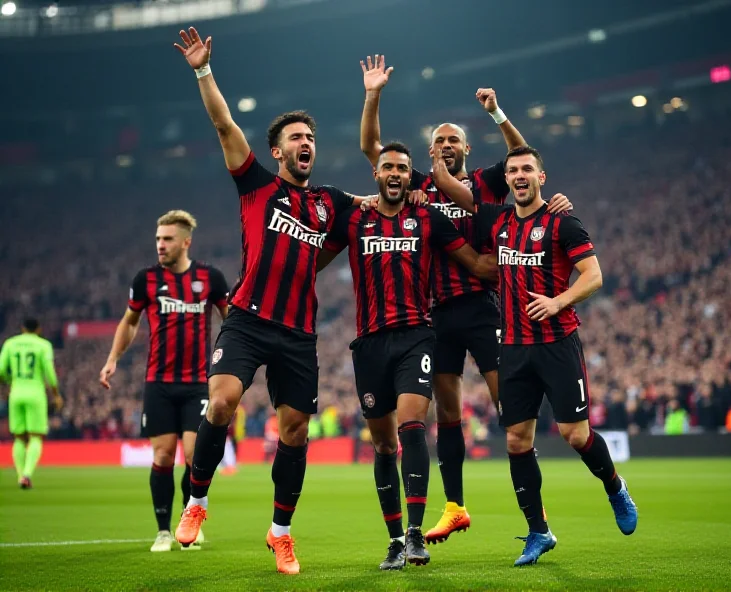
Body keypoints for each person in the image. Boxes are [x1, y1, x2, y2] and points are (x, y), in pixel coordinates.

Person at [171, 27, 377, 574]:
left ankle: (281, 532)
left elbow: (383, 198)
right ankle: (196, 500)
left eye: (310, 136)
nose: (305, 143)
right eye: (295, 137)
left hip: (297, 333)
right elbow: (223, 123)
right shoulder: (257, 186)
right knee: (220, 402)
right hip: (247, 319)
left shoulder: (332, 204)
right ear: (277, 149)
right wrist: (202, 70)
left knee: (295, 431)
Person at [359, 55, 572, 543]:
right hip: (436, 315)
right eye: (439, 141)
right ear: (429, 150)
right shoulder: (413, 186)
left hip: (483, 307)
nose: (446, 146)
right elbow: (372, 147)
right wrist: (373, 95)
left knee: (510, 412)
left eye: (453, 140)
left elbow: (525, 156)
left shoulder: (485, 182)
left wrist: (498, 114)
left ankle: (537, 520)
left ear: (467, 148)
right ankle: (455, 506)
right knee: (447, 415)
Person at [318, 142, 496, 570]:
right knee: (382, 445)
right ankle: (395, 539)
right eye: (388, 167)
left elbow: (474, 262)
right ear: (376, 175)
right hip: (370, 344)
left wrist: (525, 258)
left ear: (410, 176)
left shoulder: (428, 217)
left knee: (412, 426)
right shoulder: (354, 220)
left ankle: (415, 535)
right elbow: (310, 260)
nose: (395, 173)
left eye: (403, 168)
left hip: (417, 336)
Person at [472, 145, 638, 566]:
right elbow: (448, 190)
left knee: (575, 435)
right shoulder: (498, 220)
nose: (520, 175)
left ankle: (615, 486)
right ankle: (538, 531)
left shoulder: (563, 223)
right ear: (506, 180)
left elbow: (594, 276)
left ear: (542, 177)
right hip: (512, 348)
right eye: (513, 170)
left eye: (528, 168)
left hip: (558, 345)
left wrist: (558, 301)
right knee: (515, 440)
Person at [99, 209, 229, 552]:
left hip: (198, 383)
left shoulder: (210, 278)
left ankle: (191, 518)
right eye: (158, 238)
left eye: (168, 239)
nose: (160, 245)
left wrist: (230, 362)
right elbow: (129, 322)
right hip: (158, 382)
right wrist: (113, 359)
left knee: (192, 455)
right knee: (161, 456)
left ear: (186, 242)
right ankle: (162, 531)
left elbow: (230, 321)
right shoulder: (146, 280)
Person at [0, 318, 63, 489]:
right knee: (35, 436)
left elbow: (0, 370)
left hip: (16, 393)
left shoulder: (10, 344)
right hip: (36, 394)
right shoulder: (43, 345)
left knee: (19, 438)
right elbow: (50, 373)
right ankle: (27, 474)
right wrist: (56, 394)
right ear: (39, 329)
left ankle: (20, 476)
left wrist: (8, 381)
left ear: (22, 328)